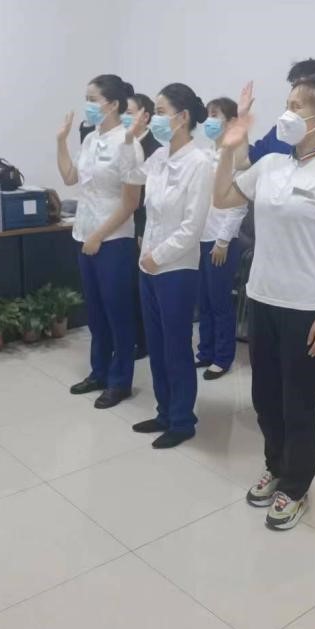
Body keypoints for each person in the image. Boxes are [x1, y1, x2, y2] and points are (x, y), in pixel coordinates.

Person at [213, 64, 315, 531]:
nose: (287, 114)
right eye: (287, 104)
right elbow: (223, 199)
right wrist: (229, 147)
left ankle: (295, 487)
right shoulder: (272, 165)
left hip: (305, 310)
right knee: (265, 398)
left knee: (298, 404)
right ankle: (275, 466)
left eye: (297, 107)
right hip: (262, 299)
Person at [125, 84, 214, 448]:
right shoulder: (160, 156)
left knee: (176, 347)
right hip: (148, 266)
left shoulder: (200, 163)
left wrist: (157, 256)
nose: (155, 118)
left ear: (183, 117)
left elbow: (192, 228)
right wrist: (130, 139)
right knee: (157, 345)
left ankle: (182, 420)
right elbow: (131, 177)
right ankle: (164, 411)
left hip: (176, 270)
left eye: (161, 111)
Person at [56, 74, 143, 409]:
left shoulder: (128, 144)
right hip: (86, 235)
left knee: (118, 313)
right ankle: (99, 372)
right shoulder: (91, 139)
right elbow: (69, 177)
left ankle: (120, 381)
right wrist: (61, 141)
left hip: (113, 240)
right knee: (95, 313)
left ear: (113, 104)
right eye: (87, 99)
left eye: (93, 99)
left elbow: (131, 203)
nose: (88, 106)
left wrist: (98, 236)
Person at [196, 97, 248, 379]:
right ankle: (205, 351)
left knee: (219, 302)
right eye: (208, 114)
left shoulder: (237, 157)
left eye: (215, 115)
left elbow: (238, 206)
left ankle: (222, 356)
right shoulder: (204, 155)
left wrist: (223, 241)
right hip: (200, 237)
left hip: (221, 241)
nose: (209, 120)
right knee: (203, 301)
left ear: (230, 122)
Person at [236, 58, 315, 169]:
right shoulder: (280, 133)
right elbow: (243, 162)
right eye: (294, 85)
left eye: (305, 86)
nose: (296, 91)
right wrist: (242, 117)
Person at [124, 94, 160, 361]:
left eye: (130, 112)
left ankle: (144, 341)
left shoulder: (153, 147)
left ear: (145, 116)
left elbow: (147, 195)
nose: (125, 117)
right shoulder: (127, 142)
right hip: (122, 222)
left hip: (140, 225)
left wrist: (141, 228)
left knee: (139, 289)